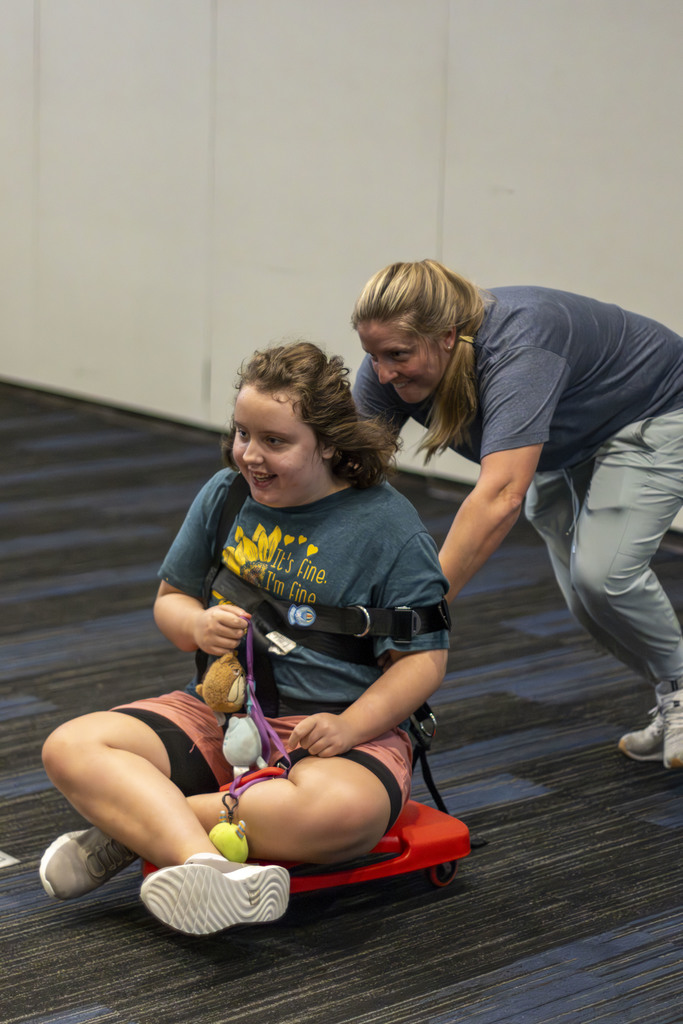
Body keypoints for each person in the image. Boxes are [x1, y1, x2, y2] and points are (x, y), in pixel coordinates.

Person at [39, 341, 450, 936]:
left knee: (342, 815)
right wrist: (196, 625)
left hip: (338, 731)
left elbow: (425, 663)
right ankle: (205, 863)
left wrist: (352, 726)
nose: (250, 456)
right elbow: (169, 602)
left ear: (329, 444)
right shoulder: (225, 493)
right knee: (69, 747)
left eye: (275, 442)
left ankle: (135, 832)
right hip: (224, 713)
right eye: (241, 435)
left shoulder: (389, 528)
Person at [351, 259, 683, 769]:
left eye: (398, 354)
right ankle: (674, 692)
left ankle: (680, 692)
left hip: (655, 408)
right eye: (372, 354)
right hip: (569, 438)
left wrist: (419, 616)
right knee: (586, 602)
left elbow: (501, 494)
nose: (383, 372)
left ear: (446, 336)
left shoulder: (519, 347)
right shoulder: (385, 369)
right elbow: (349, 480)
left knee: (605, 578)